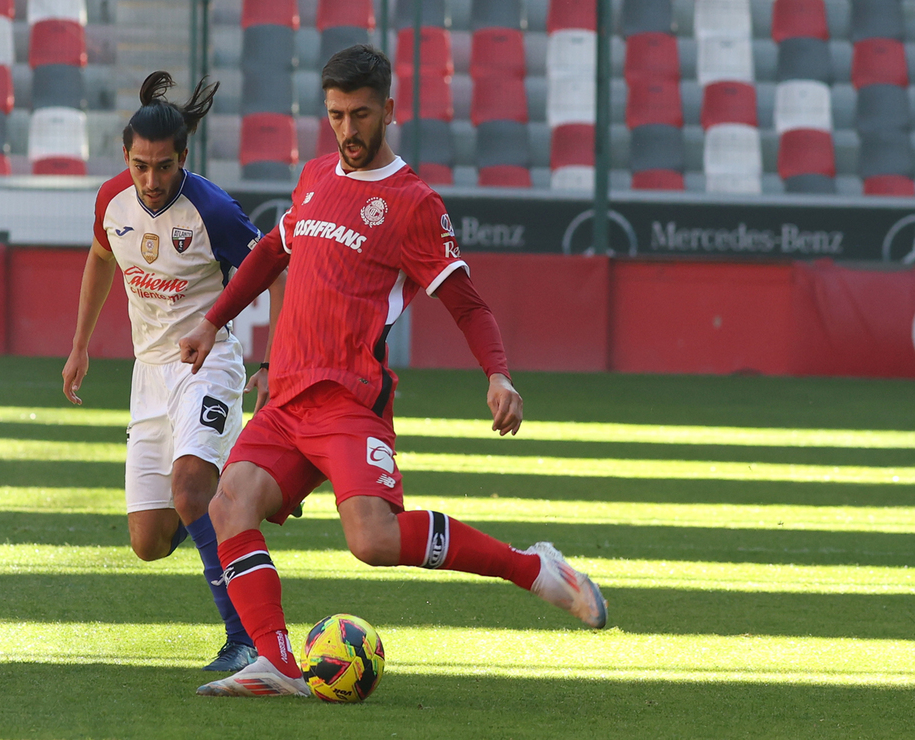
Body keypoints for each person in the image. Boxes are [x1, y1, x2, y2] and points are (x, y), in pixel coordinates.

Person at [178, 46, 608, 698]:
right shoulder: (317, 174)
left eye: (358, 115)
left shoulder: (412, 204)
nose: (346, 131)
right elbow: (273, 252)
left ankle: (534, 569)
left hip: (349, 397)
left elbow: (466, 302)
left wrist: (497, 374)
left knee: (373, 541)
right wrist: (214, 320)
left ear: (388, 110)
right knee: (229, 504)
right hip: (287, 390)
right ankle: (278, 662)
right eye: (334, 116)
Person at [62, 70, 285, 673]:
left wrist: (275, 357)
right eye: (140, 166)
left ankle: (245, 640)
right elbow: (101, 258)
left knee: (189, 488)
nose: (151, 180)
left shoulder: (212, 208)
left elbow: (274, 268)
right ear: (126, 158)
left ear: (183, 157)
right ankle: (221, 508)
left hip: (208, 364)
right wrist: (80, 344)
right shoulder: (112, 201)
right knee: (149, 542)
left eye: (163, 167)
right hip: (149, 375)